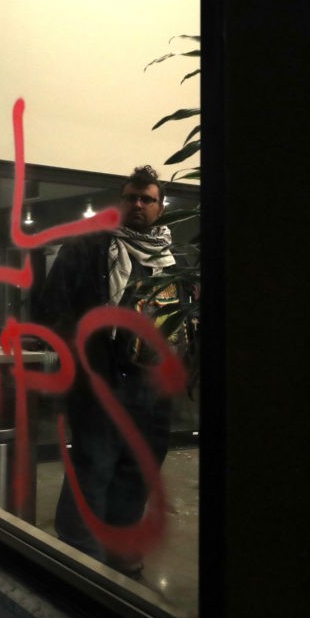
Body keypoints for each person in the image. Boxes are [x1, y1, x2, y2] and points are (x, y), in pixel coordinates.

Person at [40, 165, 187, 579]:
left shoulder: (174, 261)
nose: (138, 205)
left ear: (160, 207)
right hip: (102, 382)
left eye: (147, 199)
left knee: (137, 470)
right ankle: (80, 562)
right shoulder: (88, 248)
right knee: (93, 467)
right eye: (131, 198)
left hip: (153, 387)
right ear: (120, 202)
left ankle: (120, 553)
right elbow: (52, 305)